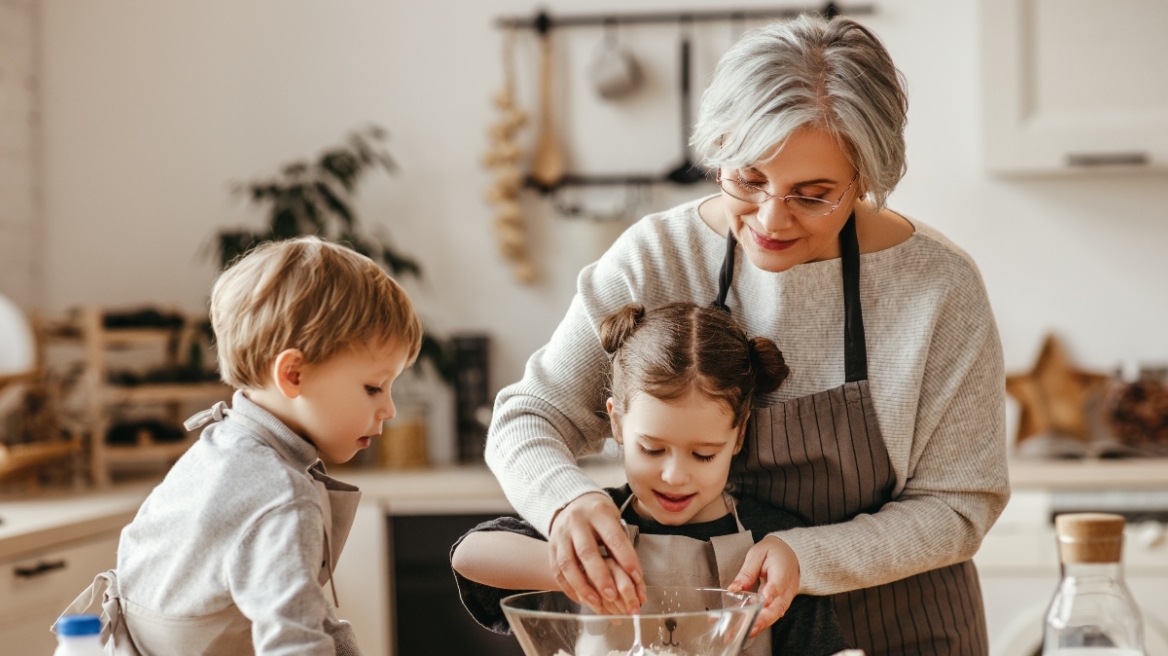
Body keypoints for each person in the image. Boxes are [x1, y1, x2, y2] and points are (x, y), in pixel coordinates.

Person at [486, 14, 1008, 656]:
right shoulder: (655, 258)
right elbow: (528, 418)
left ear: (866, 180)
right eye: (748, 179)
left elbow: (959, 505)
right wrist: (563, 502)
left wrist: (807, 554)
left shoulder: (938, 288)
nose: (770, 219)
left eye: (813, 195)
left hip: (905, 629)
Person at [56, 236, 423, 655]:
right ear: (294, 375)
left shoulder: (219, 446)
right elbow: (296, 645)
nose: (389, 409)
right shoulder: (280, 495)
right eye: (374, 387)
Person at [452, 302, 850, 656]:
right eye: (652, 449)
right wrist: (579, 568)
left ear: (739, 435)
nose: (675, 476)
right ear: (617, 424)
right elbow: (468, 556)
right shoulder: (597, 524)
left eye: (704, 454)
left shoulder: (771, 543)